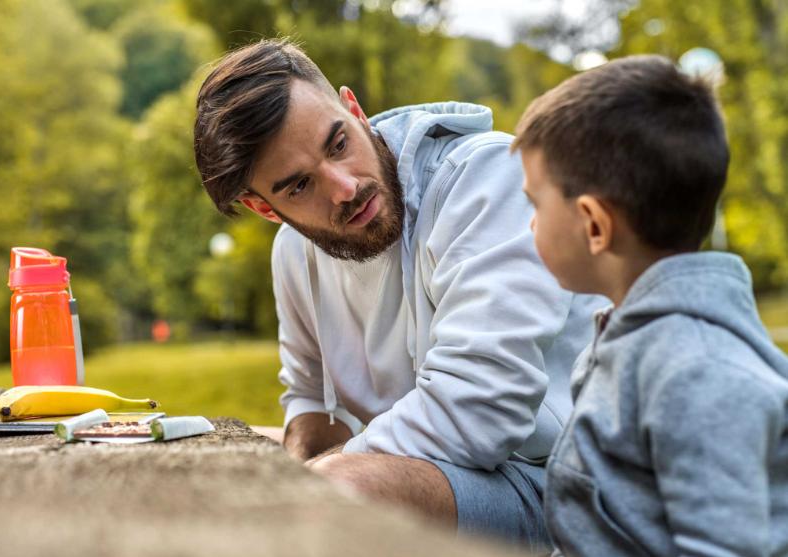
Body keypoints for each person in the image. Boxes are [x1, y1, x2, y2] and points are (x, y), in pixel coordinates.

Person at [193, 39, 601, 547]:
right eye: (299, 186)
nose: (343, 187)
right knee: (227, 454)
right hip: (456, 475)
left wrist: (319, 476)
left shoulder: (486, 179)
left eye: (338, 143)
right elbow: (309, 400)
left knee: (338, 490)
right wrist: (303, 459)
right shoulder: (293, 255)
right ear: (265, 208)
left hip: (574, 489)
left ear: (355, 110)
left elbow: (482, 409)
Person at [513, 54, 788, 556]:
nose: (530, 225)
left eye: (535, 204)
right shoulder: (629, 338)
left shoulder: (699, 371)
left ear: (594, 224)